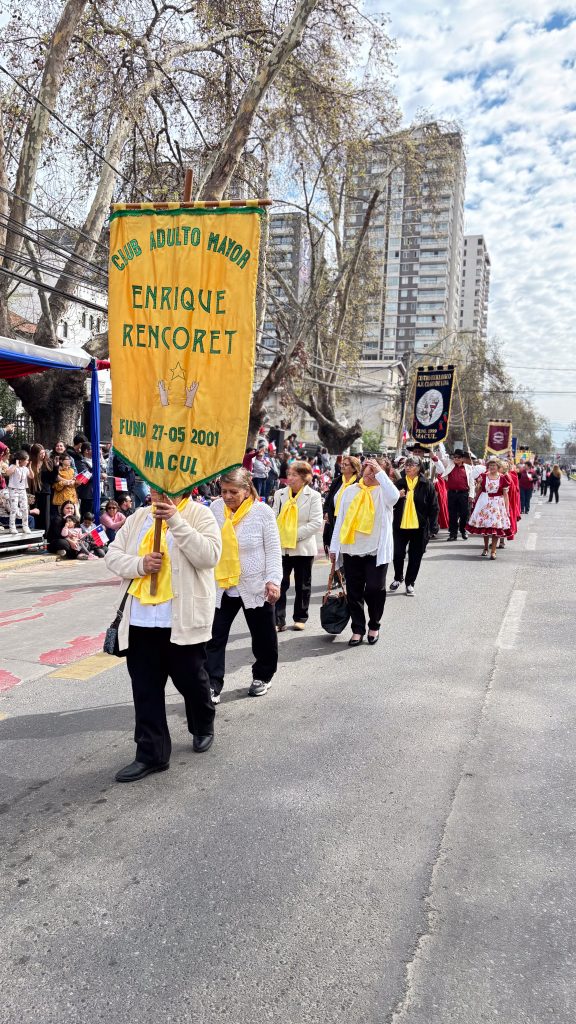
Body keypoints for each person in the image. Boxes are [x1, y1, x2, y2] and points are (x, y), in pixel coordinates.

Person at [105, 489, 222, 782]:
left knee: (191, 680)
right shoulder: (139, 517)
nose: (159, 492)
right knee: (145, 689)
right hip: (141, 620)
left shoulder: (200, 514)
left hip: (181, 620)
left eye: (167, 487)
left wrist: (176, 521)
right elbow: (113, 555)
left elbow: (209, 556)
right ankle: (152, 754)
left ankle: (203, 722)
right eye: (154, 486)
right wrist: (140, 564)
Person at [207, 468, 282, 702]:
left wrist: (273, 581)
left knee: (263, 636)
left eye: (233, 492)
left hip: (255, 585)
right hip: (223, 584)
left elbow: (273, 551)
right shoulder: (215, 509)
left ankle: (263, 676)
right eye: (223, 491)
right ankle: (212, 684)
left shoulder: (262, 512)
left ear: (247, 490)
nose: (227, 496)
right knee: (213, 636)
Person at [330, 456, 399, 646]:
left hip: (376, 551)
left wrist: (380, 473)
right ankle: (358, 629)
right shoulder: (350, 491)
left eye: (375, 471)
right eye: (368, 470)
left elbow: (394, 497)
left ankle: (374, 624)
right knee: (354, 592)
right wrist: (335, 547)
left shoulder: (384, 492)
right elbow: (340, 520)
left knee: (375, 590)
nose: (370, 474)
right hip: (351, 549)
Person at [273, 460, 323, 632]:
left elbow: (316, 522)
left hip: (303, 546)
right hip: (281, 547)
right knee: (279, 583)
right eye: (289, 474)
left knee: (303, 584)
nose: (290, 478)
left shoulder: (313, 496)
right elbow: (274, 516)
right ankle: (278, 620)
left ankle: (300, 618)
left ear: (304, 477)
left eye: (294, 475)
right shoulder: (280, 494)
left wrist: (293, 535)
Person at [390, 456, 439, 596]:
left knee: (415, 556)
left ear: (418, 467)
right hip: (400, 525)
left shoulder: (426, 484)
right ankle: (398, 577)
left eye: (411, 465)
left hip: (420, 526)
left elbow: (434, 507)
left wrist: (433, 526)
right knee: (397, 553)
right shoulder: (399, 483)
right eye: (406, 465)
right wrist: (397, 497)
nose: (408, 467)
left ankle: (410, 582)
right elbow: (389, 502)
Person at [467, 457, 510, 559]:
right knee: (485, 527)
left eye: (494, 465)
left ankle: (493, 551)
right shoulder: (483, 476)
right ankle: (486, 548)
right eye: (490, 465)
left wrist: (507, 509)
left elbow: (505, 495)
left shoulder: (503, 478)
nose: (492, 467)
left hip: (497, 505)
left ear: (498, 467)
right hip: (484, 502)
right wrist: (478, 483)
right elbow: (478, 490)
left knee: (496, 528)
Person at [435, 446, 477, 541]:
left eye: (458, 457)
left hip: (464, 494)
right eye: (455, 457)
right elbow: (442, 460)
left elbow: (471, 483)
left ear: (463, 458)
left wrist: (471, 495)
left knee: (464, 514)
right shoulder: (449, 465)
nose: (456, 458)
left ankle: (463, 530)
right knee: (452, 514)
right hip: (452, 493)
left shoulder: (469, 468)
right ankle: (453, 533)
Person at [322, 455, 362, 555]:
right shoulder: (337, 481)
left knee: (346, 550)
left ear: (354, 468)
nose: (342, 466)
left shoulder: (359, 483)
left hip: (350, 521)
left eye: (346, 464)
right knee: (334, 549)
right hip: (334, 519)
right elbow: (329, 499)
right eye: (342, 464)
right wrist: (326, 512)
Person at [28, 443, 55, 533]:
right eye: (40, 454)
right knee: (35, 513)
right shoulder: (31, 463)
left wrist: (56, 468)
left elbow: (52, 479)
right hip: (33, 492)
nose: (43, 455)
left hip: (45, 492)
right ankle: (34, 532)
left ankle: (45, 533)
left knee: (45, 514)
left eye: (44, 453)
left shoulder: (48, 462)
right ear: (35, 454)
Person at [5, 450, 33, 534]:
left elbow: (32, 476)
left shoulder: (25, 468)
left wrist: (30, 468)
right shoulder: (13, 466)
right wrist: (16, 465)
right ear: (21, 460)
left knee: (25, 508)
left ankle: (25, 526)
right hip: (13, 490)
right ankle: (12, 527)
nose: (27, 462)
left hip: (22, 490)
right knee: (13, 508)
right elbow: (7, 473)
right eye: (26, 460)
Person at [76, 441, 94, 519]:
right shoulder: (81, 463)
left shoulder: (96, 461)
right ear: (86, 451)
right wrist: (99, 476)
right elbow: (86, 477)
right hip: (87, 494)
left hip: (96, 493)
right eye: (92, 449)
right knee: (87, 516)